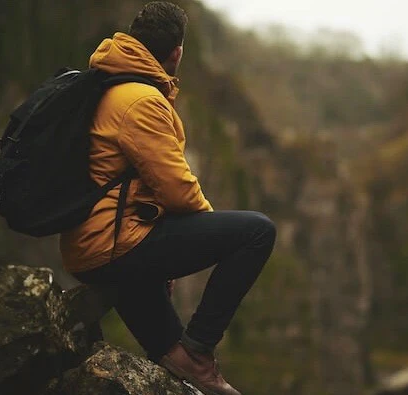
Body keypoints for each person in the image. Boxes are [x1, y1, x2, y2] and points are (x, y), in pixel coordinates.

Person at [59, 2, 276, 394]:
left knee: (174, 360)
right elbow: (177, 189)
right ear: (176, 52)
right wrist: (202, 233)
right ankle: (200, 349)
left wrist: (169, 248)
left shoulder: (107, 84)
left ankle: (190, 363)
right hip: (113, 246)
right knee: (256, 232)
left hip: (96, 245)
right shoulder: (140, 100)